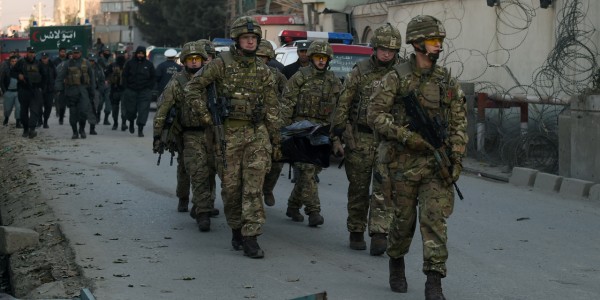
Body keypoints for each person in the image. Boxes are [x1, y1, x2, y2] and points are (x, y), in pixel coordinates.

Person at [367, 15, 467, 299]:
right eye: (434, 41)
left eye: (440, 41)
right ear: (417, 43)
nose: (438, 46)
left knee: (435, 221)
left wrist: (456, 157)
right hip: (402, 163)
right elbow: (374, 115)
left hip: (436, 164)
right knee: (403, 221)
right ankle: (396, 261)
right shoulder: (396, 78)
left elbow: (460, 122)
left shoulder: (446, 80)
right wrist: (406, 136)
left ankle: (434, 281)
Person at [185, 16, 282, 259]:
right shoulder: (220, 64)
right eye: (246, 38)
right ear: (237, 40)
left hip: (256, 134)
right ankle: (237, 228)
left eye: (253, 38)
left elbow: (272, 108)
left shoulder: (264, 71)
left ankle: (251, 236)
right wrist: (207, 117)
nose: (250, 42)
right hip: (227, 135)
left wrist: (276, 139)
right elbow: (193, 88)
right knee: (231, 189)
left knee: (253, 186)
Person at [330, 24, 402, 255]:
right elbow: (344, 102)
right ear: (375, 48)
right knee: (359, 188)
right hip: (361, 137)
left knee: (385, 188)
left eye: (391, 50)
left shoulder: (402, 72)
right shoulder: (359, 71)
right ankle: (356, 229)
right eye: (383, 49)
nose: (387, 54)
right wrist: (338, 133)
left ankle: (380, 232)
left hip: (388, 140)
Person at [153, 41, 219, 225]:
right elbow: (162, 109)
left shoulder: (212, 80)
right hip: (188, 134)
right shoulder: (177, 82)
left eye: (198, 59)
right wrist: (158, 135)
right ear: (183, 61)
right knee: (196, 169)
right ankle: (200, 209)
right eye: (190, 59)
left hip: (212, 132)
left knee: (211, 169)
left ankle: (205, 203)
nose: (195, 62)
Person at [281, 41, 342, 226]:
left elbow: (339, 110)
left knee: (312, 170)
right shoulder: (300, 77)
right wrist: (284, 131)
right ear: (312, 58)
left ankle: (293, 205)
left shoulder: (334, 81)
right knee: (306, 171)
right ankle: (313, 211)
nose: (321, 61)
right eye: (318, 57)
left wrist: (337, 137)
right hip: (300, 131)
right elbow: (286, 104)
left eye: (324, 58)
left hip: (322, 133)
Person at [256, 40, 287, 207]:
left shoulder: (277, 75)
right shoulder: (244, 73)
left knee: (277, 160)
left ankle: (267, 189)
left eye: (264, 57)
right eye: (258, 56)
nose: (261, 60)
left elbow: (289, 95)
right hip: (251, 126)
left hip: (273, 125)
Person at [55, 45, 96, 139]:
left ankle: (82, 129)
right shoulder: (67, 64)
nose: (75, 54)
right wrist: (59, 89)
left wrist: (92, 91)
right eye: (74, 53)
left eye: (77, 53)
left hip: (83, 91)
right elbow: (60, 77)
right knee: (73, 114)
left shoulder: (86, 63)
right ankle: (75, 132)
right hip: (71, 91)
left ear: (80, 53)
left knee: (83, 112)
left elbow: (92, 78)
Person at [122, 46, 156, 137]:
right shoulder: (130, 64)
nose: (140, 55)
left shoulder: (149, 64)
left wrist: (149, 87)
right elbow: (124, 76)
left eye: (142, 53)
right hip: (131, 90)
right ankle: (131, 122)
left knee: (143, 110)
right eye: (139, 53)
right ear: (136, 53)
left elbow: (153, 77)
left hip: (144, 91)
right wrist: (126, 87)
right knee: (130, 110)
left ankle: (140, 129)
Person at [14, 46, 45, 138]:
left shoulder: (38, 63)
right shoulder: (21, 62)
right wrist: (18, 75)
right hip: (23, 90)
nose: (31, 54)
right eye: (30, 52)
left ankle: (32, 129)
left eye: (33, 52)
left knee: (35, 110)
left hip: (35, 90)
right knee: (23, 111)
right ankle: (26, 129)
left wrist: (41, 88)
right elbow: (12, 72)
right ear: (26, 53)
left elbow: (44, 76)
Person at [105, 50, 127, 131]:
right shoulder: (112, 65)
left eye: (122, 54)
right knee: (115, 109)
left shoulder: (127, 65)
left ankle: (123, 123)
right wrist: (108, 80)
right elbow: (106, 74)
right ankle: (115, 123)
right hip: (115, 89)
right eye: (119, 54)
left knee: (124, 108)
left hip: (124, 90)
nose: (120, 56)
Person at [88, 54, 108, 135]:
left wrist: (100, 90)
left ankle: (92, 127)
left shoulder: (99, 69)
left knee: (93, 108)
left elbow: (102, 80)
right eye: (90, 60)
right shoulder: (83, 67)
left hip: (95, 90)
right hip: (85, 90)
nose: (91, 62)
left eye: (92, 61)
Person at [1, 55, 22, 128]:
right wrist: (4, 91)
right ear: (10, 62)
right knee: (7, 108)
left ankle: (18, 122)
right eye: (12, 61)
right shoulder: (6, 70)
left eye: (16, 61)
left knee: (19, 107)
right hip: (8, 92)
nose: (14, 63)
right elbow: (2, 81)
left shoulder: (20, 70)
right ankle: (6, 118)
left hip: (18, 91)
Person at [39, 52, 56, 129]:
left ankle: (45, 121)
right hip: (40, 89)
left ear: (48, 58)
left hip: (50, 89)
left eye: (45, 58)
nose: (44, 59)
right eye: (43, 58)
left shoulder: (52, 65)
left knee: (48, 106)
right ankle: (39, 120)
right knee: (38, 106)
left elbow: (55, 75)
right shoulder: (38, 65)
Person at [53, 48, 70, 124]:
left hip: (72, 86)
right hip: (62, 86)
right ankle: (61, 117)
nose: (63, 53)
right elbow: (57, 75)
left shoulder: (71, 62)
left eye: (64, 52)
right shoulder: (59, 63)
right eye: (61, 52)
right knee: (61, 103)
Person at [97, 46, 113, 125]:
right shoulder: (99, 61)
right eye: (105, 51)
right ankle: (97, 116)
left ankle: (106, 119)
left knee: (108, 103)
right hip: (100, 84)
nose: (107, 53)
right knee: (99, 103)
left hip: (109, 84)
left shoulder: (112, 61)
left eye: (108, 51)